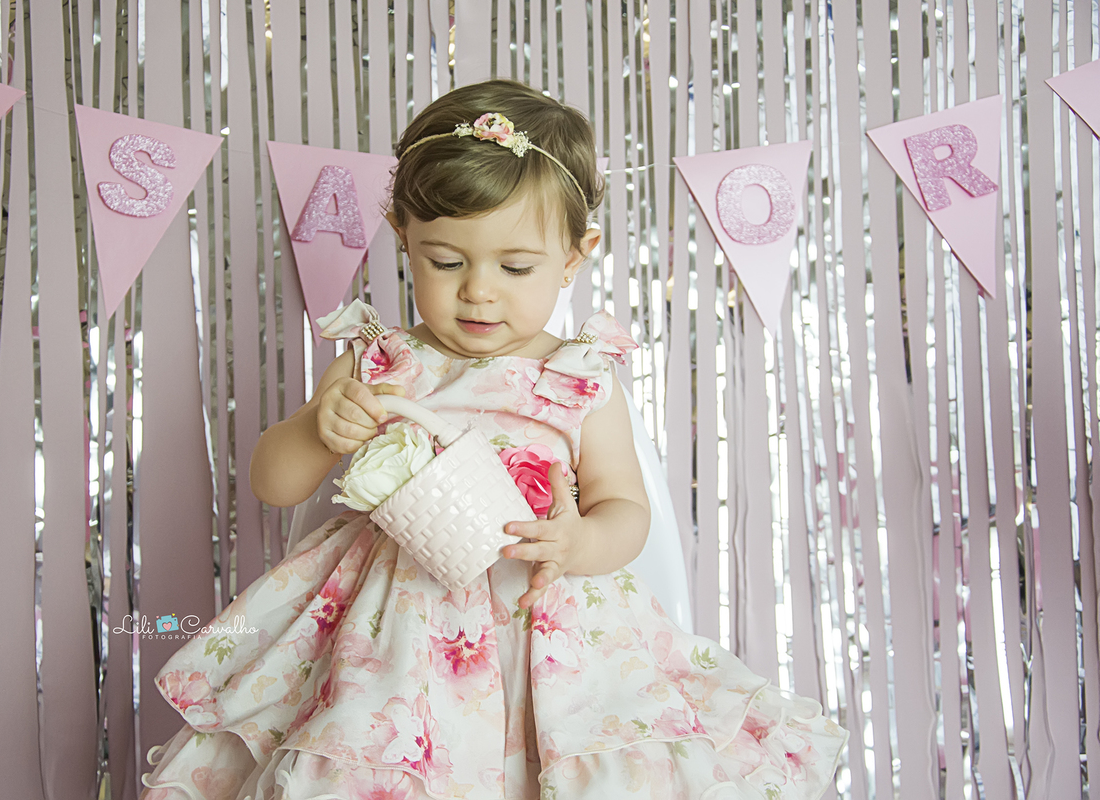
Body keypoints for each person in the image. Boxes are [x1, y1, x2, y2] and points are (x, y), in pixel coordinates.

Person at [140, 79, 847, 800]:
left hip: (550, 628)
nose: (479, 291)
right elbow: (274, 483)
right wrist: (319, 429)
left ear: (575, 255)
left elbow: (626, 508)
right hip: (390, 638)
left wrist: (581, 542)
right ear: (403, 237)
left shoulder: (577, 378)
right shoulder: (381, 360)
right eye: (446, 262)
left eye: (515, 267)